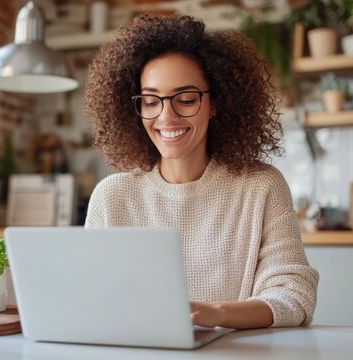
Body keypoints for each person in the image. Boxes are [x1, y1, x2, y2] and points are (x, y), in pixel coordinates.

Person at [83, 14, 318, 330]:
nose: (167, 117)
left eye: (186, 99)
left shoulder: (261, 187)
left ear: (215, 103)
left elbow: (294, 295)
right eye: (151, 101)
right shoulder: (112, 197)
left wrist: (218, 314)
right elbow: (89, 298)